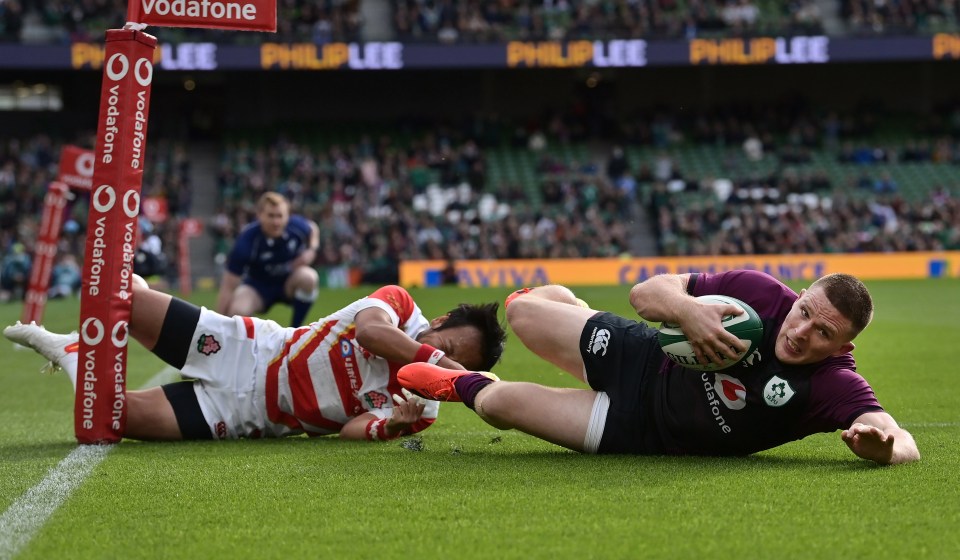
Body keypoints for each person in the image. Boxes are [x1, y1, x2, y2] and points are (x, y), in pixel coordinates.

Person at [399, 270, 920, 466]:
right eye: (806, 313)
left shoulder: (831, 384)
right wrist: (689, 312)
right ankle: (573, 309)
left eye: (824, 334)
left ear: (842, 347)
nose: (803, 331)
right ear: (801, 295)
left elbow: (898, 437)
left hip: (642, 431)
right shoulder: (761, 293)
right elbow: (647, 293)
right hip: (643, 355)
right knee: (522, 312)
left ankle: (458, 382)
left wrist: (883, 447)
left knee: (500, 404)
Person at [5, 276, 506, 442]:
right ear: (439, 322)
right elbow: (372, 335)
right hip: (247, 350)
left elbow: (352, 430)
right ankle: (140, 294)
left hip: (248, 415)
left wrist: (392, 426)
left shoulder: (426, 408)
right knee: (124, 299)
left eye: (458, 363)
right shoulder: (397, 305)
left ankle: (72, 350)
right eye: (451, 348)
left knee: (111, 416)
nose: (446, 362)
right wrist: (441, 365)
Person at [217, 192, 321, 327]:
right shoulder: (247, 240)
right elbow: (228, 287)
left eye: (280, 216)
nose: (276, 222)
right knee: (237, 311)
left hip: (287, 284)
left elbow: (313, 228)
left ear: (287, 216)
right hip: (258, 287)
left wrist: (312, 250)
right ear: (259, 215)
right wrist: (217, 324)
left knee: (309, 277)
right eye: (271, 216)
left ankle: (295, 333)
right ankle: (250, 344)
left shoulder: (296, 226)